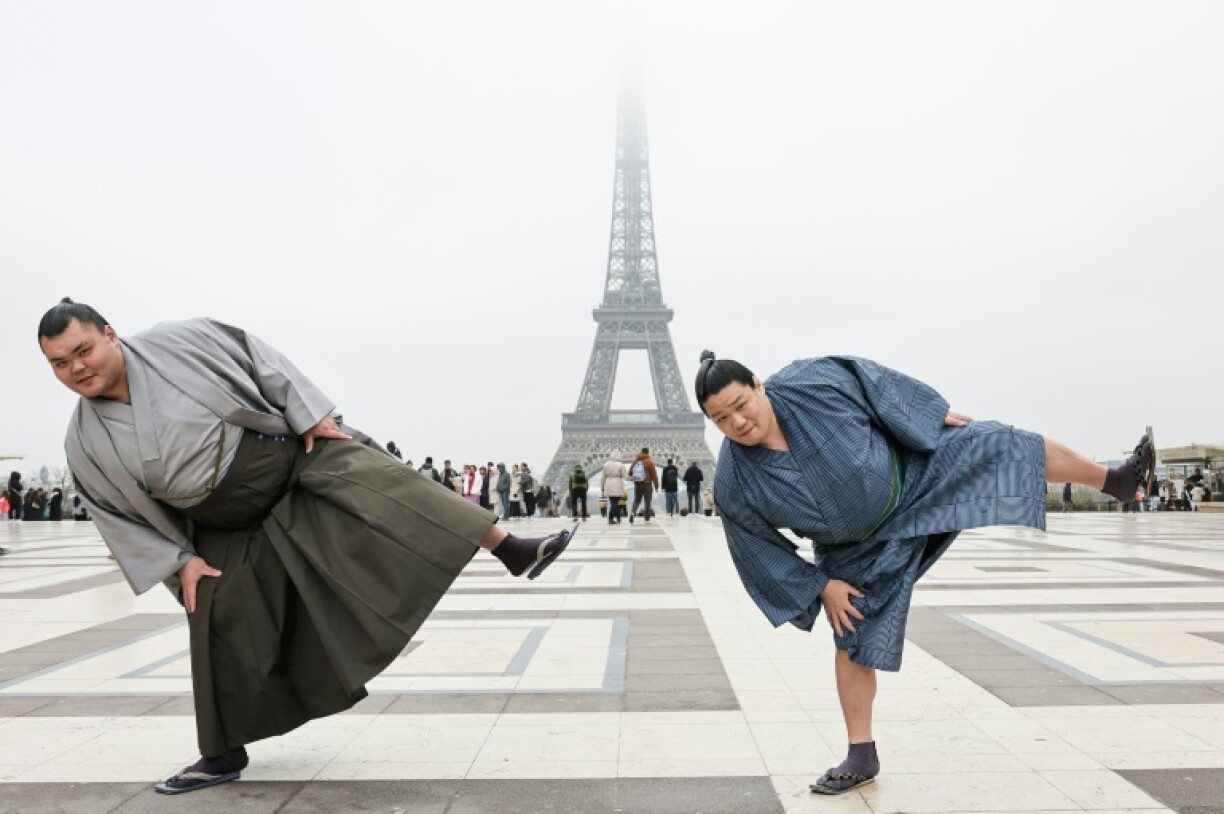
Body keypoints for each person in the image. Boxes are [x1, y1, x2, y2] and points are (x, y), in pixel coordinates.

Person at [38, 298, 579, 795]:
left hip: (290, 457)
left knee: (374, 474)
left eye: (82, 350)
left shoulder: (179, 341)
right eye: (60, 364)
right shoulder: (82, 440)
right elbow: (117, 516)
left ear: (111, 333)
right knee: (212, 614)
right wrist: (178, 562)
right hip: (221, 523)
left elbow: (259, 360)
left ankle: (510, 548)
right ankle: (221, 753)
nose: (76, 369)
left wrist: (307, 412)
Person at [693, 351, 1154, 796]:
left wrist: (927, 412)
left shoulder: (810, 379)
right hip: (853, 552)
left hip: (915, 475)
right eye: (721, 419)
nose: (737, 422)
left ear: (758, 385)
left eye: (740, 405)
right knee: (852, 639)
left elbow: (871, 381)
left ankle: (1116, 480)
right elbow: (753, 547)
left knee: (1004, 442)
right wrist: (821, 586)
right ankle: (861, 753)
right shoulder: (734, 479)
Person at [628, 447, 658, 523]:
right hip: (647, 485)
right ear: (648, 453)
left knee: (636, 500)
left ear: (641, 452)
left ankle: (632, 513)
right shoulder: (650, 462)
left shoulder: (635, 461)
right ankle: (647, 518)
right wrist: (656, 486)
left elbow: (630, 473)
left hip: (637, 484)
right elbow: (654, 475)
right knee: (647, 502)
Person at [602, 452, 627, 524]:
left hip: (608, 484)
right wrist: (633, 478)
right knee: (615, 503)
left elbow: (603, 477)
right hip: (617, 485)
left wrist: (602, 487)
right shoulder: (620, 465)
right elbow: (626, 476)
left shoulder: (606, 465)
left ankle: (618, 517)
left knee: (613, 502)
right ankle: (611, 518)